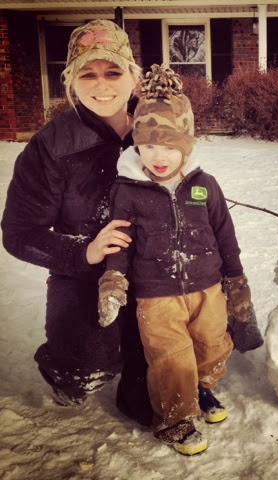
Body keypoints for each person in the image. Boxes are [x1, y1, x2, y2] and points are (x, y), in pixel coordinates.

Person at [97, 64, 264, 455]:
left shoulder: (204, 186)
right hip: (156, 294)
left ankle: (201, 389)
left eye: (170, 147)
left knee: (213, 345)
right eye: (150, 146)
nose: (160, 157)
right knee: (170, 358)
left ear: (186, 146)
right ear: (137, 145)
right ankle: (177, 420)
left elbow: (225, 234)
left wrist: (236, 280)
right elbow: (120, 242)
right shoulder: (128, 190)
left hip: (207, 286)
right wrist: (113, 280)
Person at [1, 19, 153, 426]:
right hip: (86, 273)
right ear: (71, 80)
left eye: (113, 72)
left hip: (154, 267)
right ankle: (66, 367)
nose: (101, 85)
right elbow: (19, 233)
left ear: (133, 76)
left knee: (179, 346)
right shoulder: (50, 146)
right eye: (87, 74)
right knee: (85, 368)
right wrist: (83, 252)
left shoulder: (159, 126)